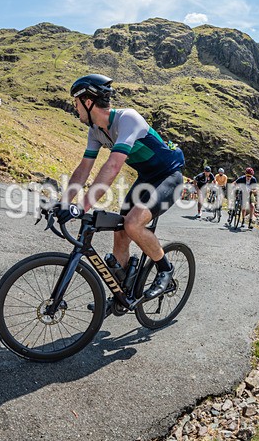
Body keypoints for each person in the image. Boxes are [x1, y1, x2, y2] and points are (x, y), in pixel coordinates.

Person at [57, 74, 185, 300]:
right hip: (146, 177)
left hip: (169, 176)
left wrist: (83, 207)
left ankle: (165, 268)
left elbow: (113, 166)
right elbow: (83, 169)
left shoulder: (128, 119)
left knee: (133, 223)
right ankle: (123, 292)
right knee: (121, 232)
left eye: (76, 103)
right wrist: (65, 203)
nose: (74, 109)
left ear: (88, 102)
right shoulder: (95, 130)